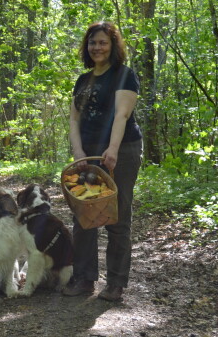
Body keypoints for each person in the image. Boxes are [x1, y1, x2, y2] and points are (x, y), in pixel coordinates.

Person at [62, 21, 143, 302]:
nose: (97, 47)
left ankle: (116, 283)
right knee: (84, 213)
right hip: (88, 151)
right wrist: (78, 152)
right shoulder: (83, 80)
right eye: (92, 43)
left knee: (116, 215)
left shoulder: (124, 76)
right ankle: (84, 278)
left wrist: (113, 149)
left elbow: (121, 115)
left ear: (113, 46)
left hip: (122, 150)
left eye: (103, 42)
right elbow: (74, 119)